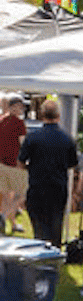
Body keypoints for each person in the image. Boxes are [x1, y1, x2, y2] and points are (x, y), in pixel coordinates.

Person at [20, 97, 78, 246]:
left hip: (37, 187)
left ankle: (40, 257)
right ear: (58, 116)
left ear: (41, 115)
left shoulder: (32, 137)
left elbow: (20, 161)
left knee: (39, 229)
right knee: (55, 226)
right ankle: (55, 256)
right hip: (58, 188)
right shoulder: (67, 139)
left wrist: (30, 168)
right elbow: (72, 164)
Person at [0, 93, 30, 234]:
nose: (21, 109)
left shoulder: (1, 120)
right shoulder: (19, 123)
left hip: (1, 164)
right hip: (15, 164)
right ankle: (3, 217)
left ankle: (11, 224)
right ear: (13, 107)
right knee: (21, 195)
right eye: (20, 106)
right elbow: (23, 144)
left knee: (7, 196)